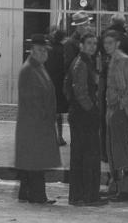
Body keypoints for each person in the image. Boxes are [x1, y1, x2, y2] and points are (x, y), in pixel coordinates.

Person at [15, 34, 60, 205]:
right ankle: (38, 196)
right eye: (40, 50)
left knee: (32, 161)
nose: (44, 53)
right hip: (34, 123)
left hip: (36, 122)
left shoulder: (37, 67)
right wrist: (44, 116)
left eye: (45, 50)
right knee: (36, 162)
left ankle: (25, 193)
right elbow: (31, 98)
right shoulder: (29, 69)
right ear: (32, 51)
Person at [66, 33, 105, 206]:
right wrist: (92, 109)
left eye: (94, 43)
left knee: (81, 156)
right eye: (89, 43)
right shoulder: (82, 63)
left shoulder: (83, 61)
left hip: (79, 114)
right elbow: (80, 91)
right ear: (81, 44)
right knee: (88, 156)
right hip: (84, 115)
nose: (92, 46)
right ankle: (88, 195)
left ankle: (80, 194)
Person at [102, 32, 128, 201]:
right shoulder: (112, 60)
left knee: (119, 150)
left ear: (117, 43)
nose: (106, 46)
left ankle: (125, 189)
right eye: (105, 43)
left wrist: (122, 105)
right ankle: (116, 185)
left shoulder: (124, 60)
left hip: (119, 109)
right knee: (112, 149)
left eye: (110, 42)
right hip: (112, 107)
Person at [45, 28, 69, 146]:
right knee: (58, 112)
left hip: (48, 83)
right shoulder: (63, 50)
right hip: (59, 84)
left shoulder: (48, 49)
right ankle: (59, 136)